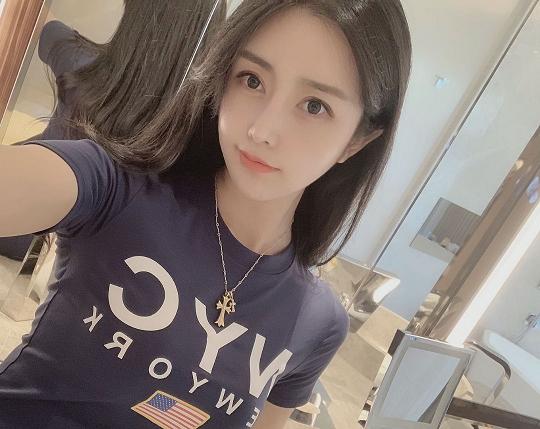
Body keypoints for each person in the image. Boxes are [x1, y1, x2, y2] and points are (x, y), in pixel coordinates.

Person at [0, 0, 412, 427]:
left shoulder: (318, 322)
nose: (262, 130)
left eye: (314, 106)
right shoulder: (117, 191)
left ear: (358, 140)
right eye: (252, 80)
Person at [0, 0, 225, 262]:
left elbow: (40, 24)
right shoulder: (188, 132)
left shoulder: (79, 61)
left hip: (21, 226)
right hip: (42, 241)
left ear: (132, 19)